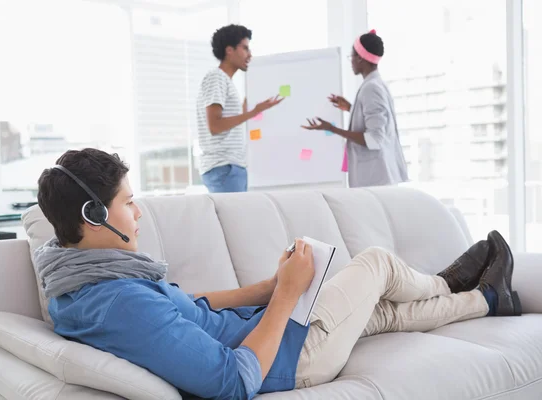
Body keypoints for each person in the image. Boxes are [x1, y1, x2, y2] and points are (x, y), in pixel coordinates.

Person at [34, 148, 521, 399]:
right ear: (95, 215)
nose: (137, 214)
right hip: (291, 360)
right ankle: (447, 280)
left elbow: (191, 307)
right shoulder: (120, 303)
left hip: (275, 337)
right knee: (375, 262)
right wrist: (287, 296)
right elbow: (232, 381)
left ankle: (486, 300)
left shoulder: (78, 279)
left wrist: (268, 288)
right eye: (128, 203)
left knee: (380, 312)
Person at [302, 29, 408, 188]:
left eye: (351, 56)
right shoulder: (376, 85)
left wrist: (332, 128)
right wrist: (351, 108)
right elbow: (378, 122)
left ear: (360, 59)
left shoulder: (371, 88)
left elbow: (374, 138)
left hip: (376, 180)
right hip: (378, 179)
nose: (350, 61)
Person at [196, 24, 283, 193]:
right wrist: (253, 112)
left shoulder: (225, 81)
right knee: (235, 220)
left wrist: (251, 107)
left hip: (230, 167)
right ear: (230, 50)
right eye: (245, 48)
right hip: (224, 167)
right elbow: (215, 126)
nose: (249, 55)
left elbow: (227, 122)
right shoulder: (216, 78)